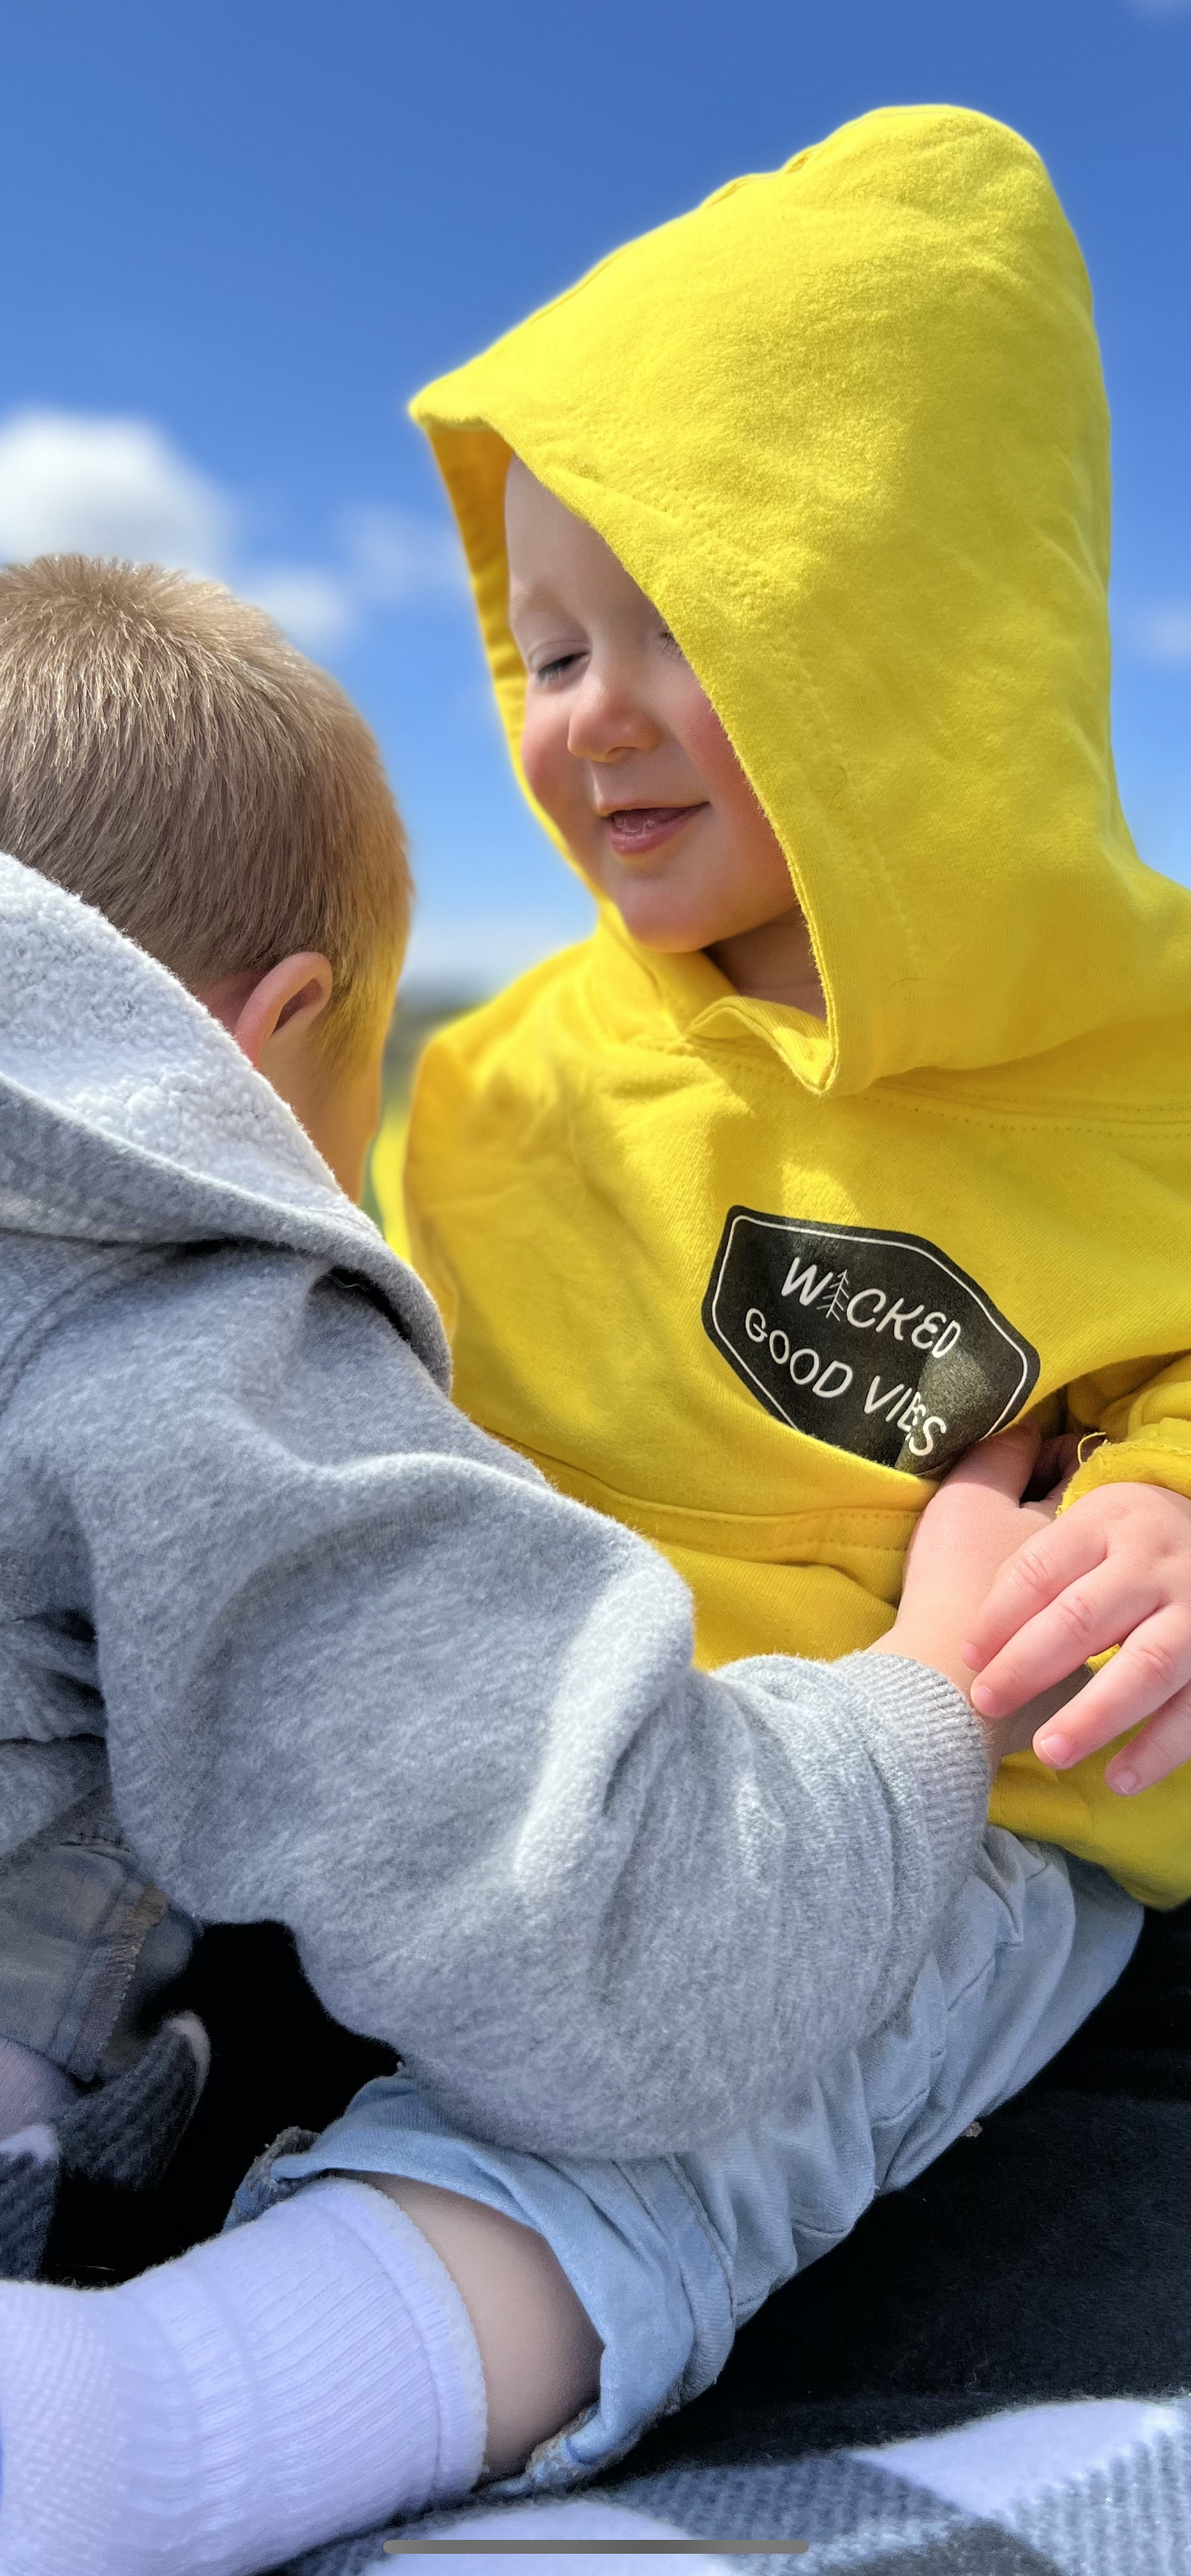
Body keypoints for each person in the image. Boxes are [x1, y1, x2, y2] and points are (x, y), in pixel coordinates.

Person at [0, 555, 1138, 2570]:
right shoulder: (180, 1317)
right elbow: (636, 1952)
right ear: (270, 1053)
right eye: (545, 652)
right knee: (773, 2004)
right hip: (755, 1842)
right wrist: (939, 1683)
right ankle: (134, 2428)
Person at [402, 102, 1191, 1910]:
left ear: (919, 649)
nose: (592, 712)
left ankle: (406, 2215)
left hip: (968, 1808)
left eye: (687, 625)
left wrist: (1165, 1508)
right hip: (517, 1761)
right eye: (558, 643)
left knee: (700, 2141)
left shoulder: (1151, 1052)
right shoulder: (501, 1080)